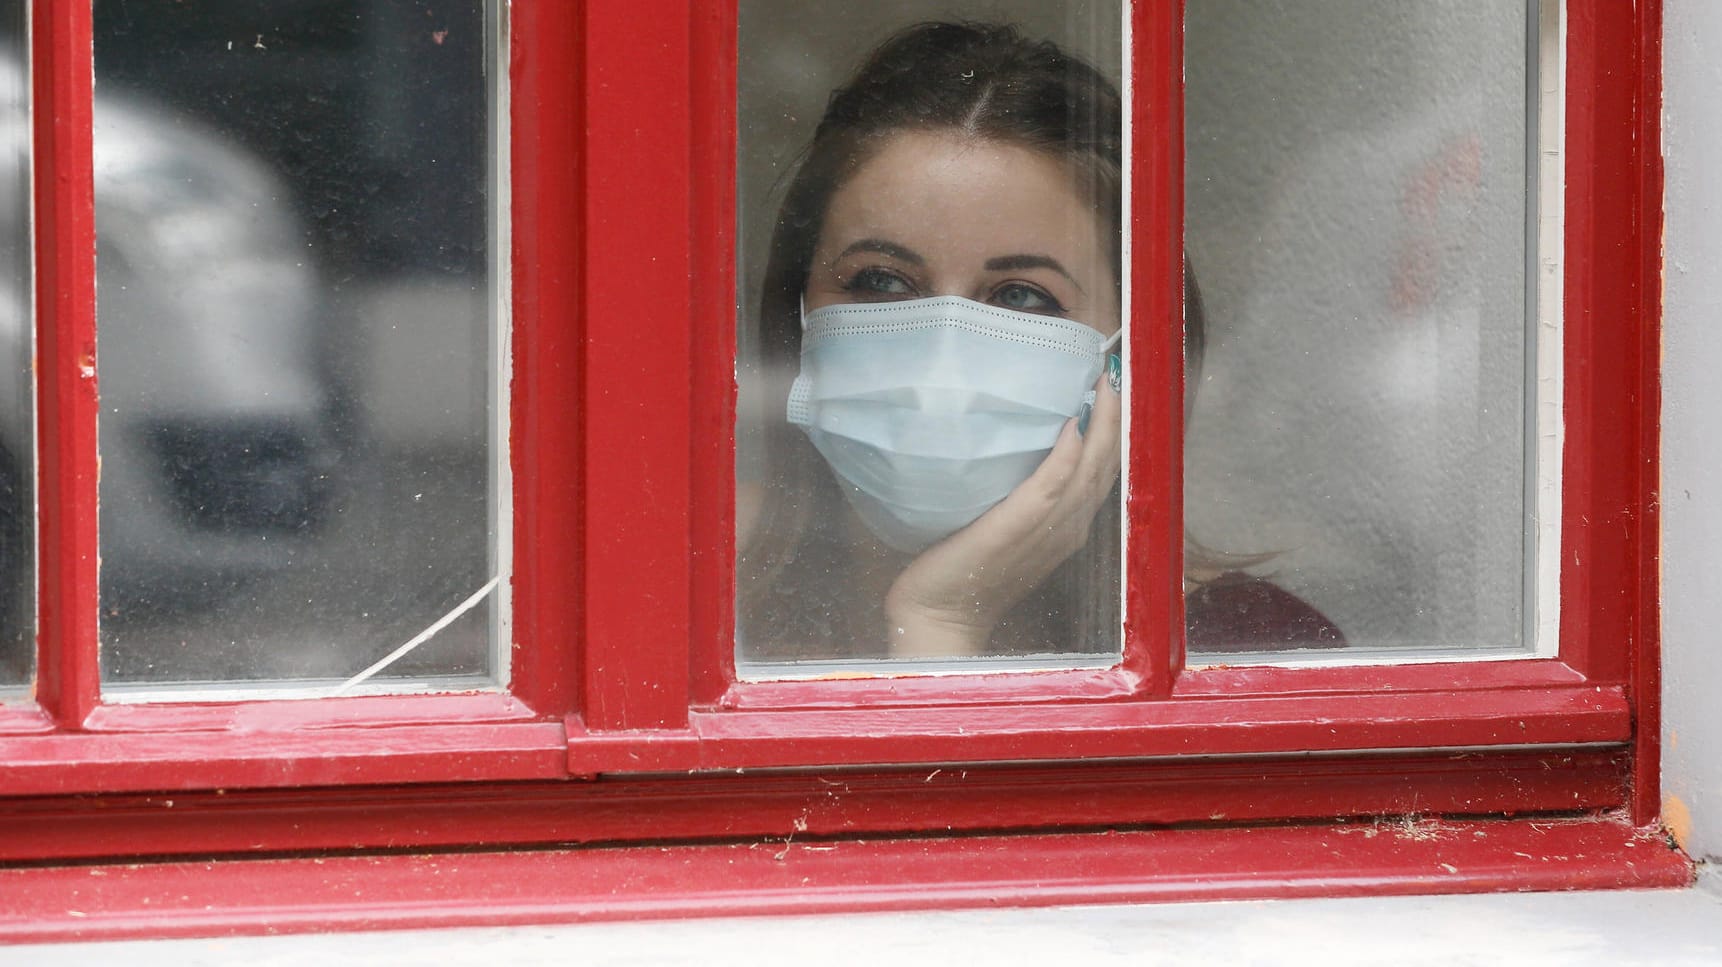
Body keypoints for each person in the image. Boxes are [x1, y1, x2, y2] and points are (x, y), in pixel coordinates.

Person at [736, 21, 1340, 663]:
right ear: (797, 317)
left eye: (1021, 294)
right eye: (882, 280)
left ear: (1125, 351)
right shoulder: (692, 623)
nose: (941, 369)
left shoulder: (1255, 651)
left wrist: (941, 621)